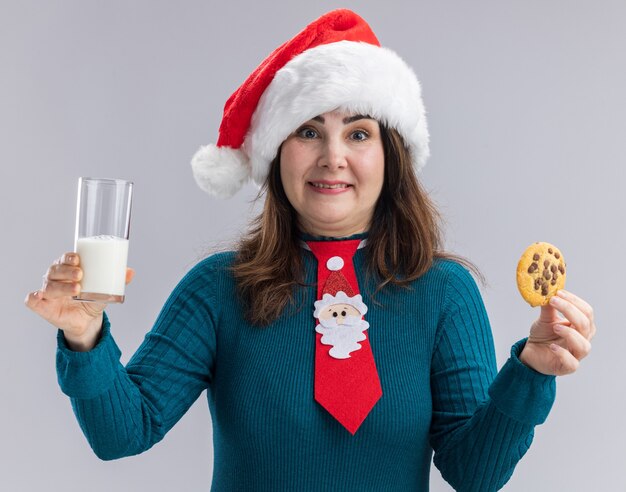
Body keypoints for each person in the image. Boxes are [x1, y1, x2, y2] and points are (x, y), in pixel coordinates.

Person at [25, 9, 596, 492]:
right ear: (277, 154)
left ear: (390, 156)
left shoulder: (445, 293)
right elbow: (123, 433)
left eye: (358, 133)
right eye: (307, 131)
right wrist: (85, 336)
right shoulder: (218, 289)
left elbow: (475, 473)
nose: (332, 156)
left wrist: (531, 372)